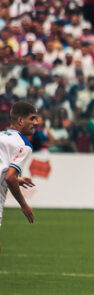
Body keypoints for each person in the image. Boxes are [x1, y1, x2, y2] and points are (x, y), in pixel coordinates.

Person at [1, 102, 38, 253]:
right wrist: (24, 205)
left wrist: (18, 179)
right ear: (21, 120)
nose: (36, 123)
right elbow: (10, 177)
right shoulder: (24, 145)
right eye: (32, 118)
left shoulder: (1, 136)